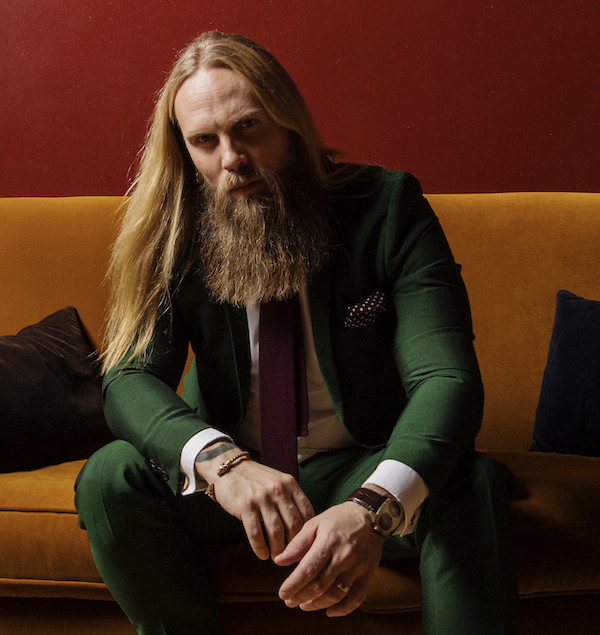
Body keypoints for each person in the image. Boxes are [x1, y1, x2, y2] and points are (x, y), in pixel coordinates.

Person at [75, 30, 518, 634]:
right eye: (205, 141)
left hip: (361, 466)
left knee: (470, 480)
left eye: (249, 128)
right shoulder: (175, 228)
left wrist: (372, 507)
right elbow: (129, 377)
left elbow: (447, 377)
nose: (231, 158)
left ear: (290, 123)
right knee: (110, 476)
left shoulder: (388, 207)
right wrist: (222, 464)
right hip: (233, 485)